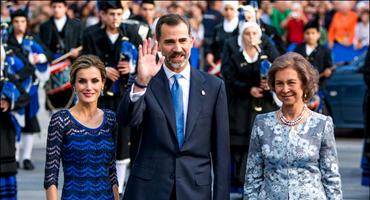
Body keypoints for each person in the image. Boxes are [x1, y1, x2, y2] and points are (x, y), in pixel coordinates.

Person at [117, 14, 230, 200]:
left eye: (183, 40)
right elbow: (127, 120)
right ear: (158, 44)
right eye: (169, 42)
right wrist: (141, 82)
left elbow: (221, 152)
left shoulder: (214, 87)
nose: (178, 48)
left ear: (192, 41)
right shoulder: (145, 80)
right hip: (148, 190)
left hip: (195, 191)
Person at [244, 52, 342, 199]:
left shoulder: (322, 124)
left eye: (291, 82)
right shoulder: (262, 124)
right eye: (279, 83)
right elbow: (252, 177)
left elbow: (331, 178)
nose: (285, 89)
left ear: (304, 83)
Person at [82, 1, 142, 195]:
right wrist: (102, 69)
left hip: (123, 95)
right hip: (99, 97)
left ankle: (119, 190)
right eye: (111, 14)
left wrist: (131, 68)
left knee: (123, 142)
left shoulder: (131, 33)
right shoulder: (91, 34)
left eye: (118, 14)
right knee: (98, 139)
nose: (115, 18)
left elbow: (142, 61)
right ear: (103, 15)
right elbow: (83, 62)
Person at [44, 55, 119, 200]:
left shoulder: (110, 119)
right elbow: (51, 177)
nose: (89, 87)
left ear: (103, 83)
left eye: (95, 81)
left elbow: (112, 171)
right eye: (82, 81)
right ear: (73, 85)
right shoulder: (61, 120)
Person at [222, 21, 278, 193]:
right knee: (241, 146)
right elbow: (229, 80)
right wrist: (248, 88)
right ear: (241, 37)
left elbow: (279, 74)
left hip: (264, 107)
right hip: (241, 109)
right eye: (247, 34)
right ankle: (240, 183)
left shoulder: (266, 58)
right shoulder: (235, 58)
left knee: (264, 145)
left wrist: (270, 85)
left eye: (254, 33)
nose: (251, 37)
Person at [7, 9, 48, 170]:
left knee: (30, 122)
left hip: (30, 88)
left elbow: (47, 55)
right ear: (12, 23)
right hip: (13, 88)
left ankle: (26, 157)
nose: (20, 25)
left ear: (27, 23)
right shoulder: (6, 42)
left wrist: (41, 58)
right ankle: (14, 156)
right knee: (14, 121)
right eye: (16, 22)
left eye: (22, 21)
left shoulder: (33, 40)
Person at [39, 0, 82, 110]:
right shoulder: (45, 26)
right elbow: (42, 46)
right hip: (52, 68)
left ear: (65, 8)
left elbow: (83, 44)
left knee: (71, 103)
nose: (56, 9)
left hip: (70, 67)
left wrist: (77, 53)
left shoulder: (76, 25)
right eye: (54, 6)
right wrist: (47, 57)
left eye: (59, 6)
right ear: (51, 8)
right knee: (54, 103)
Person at [294, 19, 333, 114]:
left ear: (318, 34)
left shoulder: (325, 51)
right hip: (301, 88)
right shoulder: (298, 49)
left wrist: (328, 72)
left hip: (318, 88)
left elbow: (329, 67)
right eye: (307, 33)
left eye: (313, 33)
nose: (310, 36)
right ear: (304, 34)